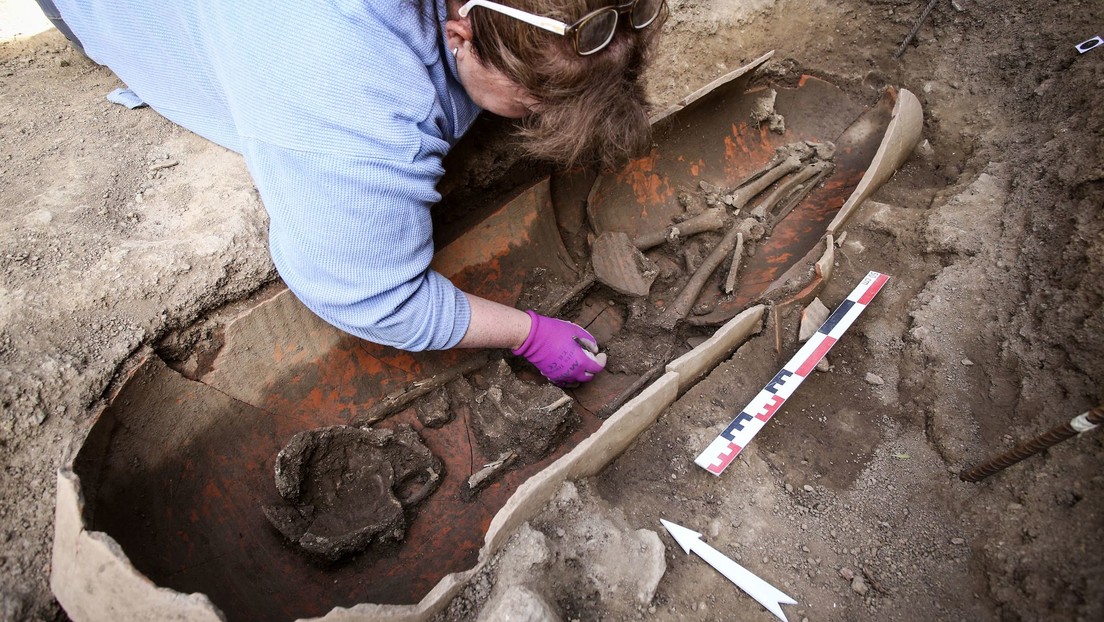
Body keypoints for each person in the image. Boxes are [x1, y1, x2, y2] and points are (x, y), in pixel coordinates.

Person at [37, 0, 665, 387]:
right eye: (533, 106)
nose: (536, 123)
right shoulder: (348, 91)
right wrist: (526, 333)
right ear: (459, 36)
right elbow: (372, 297)